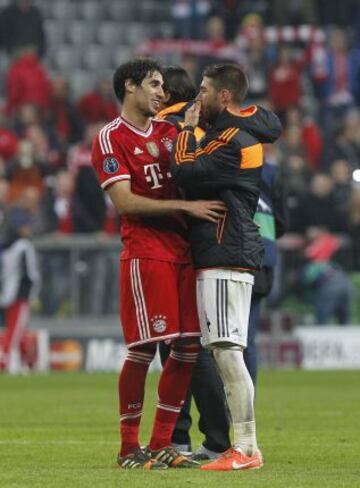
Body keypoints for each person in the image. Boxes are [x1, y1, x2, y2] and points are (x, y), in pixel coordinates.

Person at [91, 58, 226, 470]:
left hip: (183, 252)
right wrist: (187, 205)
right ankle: (129, 447)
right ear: (130, 87)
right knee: (143, 349)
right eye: (153, 85)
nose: (161, 94)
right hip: (145, 252)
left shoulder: (170, 133)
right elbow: (124, 202)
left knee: (186, 349)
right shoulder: (109, 138)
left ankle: (164, 443)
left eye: (162, 87)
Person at [171, 63, 282, 471]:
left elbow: (183, 169)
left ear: (223, 96)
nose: (196, 97)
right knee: (223, 349)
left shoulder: (232, 141)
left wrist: (185, 130)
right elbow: (268, 120)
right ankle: (245, 447)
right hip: (226, 251)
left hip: (225, 251)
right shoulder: (238, 131)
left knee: (227, 351)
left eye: (202, 90)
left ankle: (247, 449)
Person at [0, 211, 40, 373]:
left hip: (5, 292)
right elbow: (31, 273)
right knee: (15, 331)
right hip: (19, 294)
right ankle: (3, 363)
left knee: (19, 329)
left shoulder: (5, 245)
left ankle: (30, 362)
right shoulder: (24, 245)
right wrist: (33, 294)